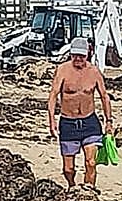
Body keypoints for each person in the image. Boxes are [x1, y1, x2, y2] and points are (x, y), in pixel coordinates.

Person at [48, 37, 113, 189]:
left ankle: (89, 192)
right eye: (74, 55)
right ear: (70, 54)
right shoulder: (63, 70)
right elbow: (53, 95)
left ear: (87, 54)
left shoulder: (94, 72)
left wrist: (108, 121)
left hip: (89, 122)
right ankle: (72, 186)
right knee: (68, 169)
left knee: (91, 162)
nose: (78, 59)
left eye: (81, 56)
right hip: (68, 123)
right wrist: (51, 120)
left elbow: (104, 96)